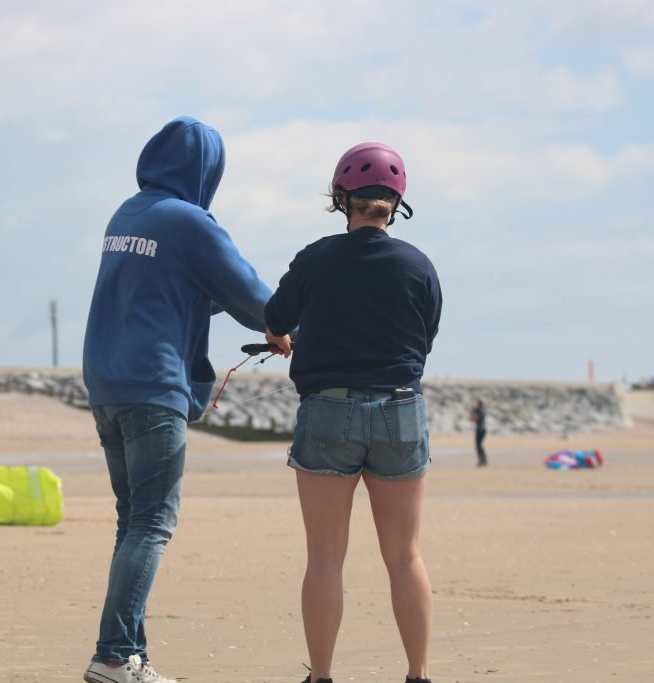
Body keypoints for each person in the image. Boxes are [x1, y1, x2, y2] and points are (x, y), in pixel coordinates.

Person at [81, 115, 287, 683]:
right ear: (206, 171)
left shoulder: (129, 213)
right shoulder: (190, 221)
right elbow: (249, 292)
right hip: (153, 387)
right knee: (151, 523)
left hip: (106, 384)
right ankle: (115, 655)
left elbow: (173, 290)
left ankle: (132, 659)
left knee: (134, 522)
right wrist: (281, 325)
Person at [264, 142, 441, 683]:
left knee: (325, 556)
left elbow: (275, 317)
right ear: (396, 201)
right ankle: (417, 674)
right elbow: (424, 339)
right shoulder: (418, 265)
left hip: (329, 410)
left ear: (343, 198)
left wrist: (282, 337)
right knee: (405, 556)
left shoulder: (315, 258)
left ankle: (321, 676)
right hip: (399, 409)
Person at [470, 398, 487, 466]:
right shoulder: (483, 409)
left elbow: (475, 419)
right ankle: (484, 460)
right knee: (480, 445)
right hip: (484, 429)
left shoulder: (478, 409)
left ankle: (482, 461)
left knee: (478, 445)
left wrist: (472, 411)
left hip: (480, 429)